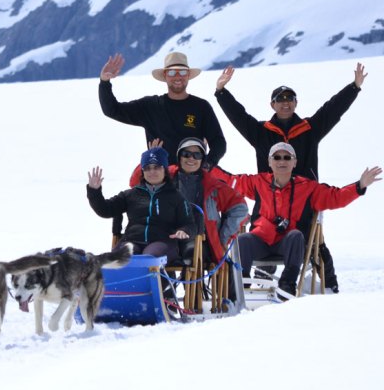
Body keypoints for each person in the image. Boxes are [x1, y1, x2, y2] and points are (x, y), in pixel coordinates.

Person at [214, 62, 367, 292]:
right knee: (264, 231)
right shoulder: (261, 132)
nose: (285, 103)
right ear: (272, 104)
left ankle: (329, 286)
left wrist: (354, 87)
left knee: (313, 241)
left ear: (296, 103)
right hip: (269, 196)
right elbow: (239, 117)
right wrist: (221, 93)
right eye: (280, 100)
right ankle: (258, 282)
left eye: (290, 99)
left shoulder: (309, 129)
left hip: (306, 199)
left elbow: (332, 110)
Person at [211, 142, 381, 298]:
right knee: (243, 240)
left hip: (289, 245)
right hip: (261, 241)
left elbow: (335, 197)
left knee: (296, 236)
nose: (281, 161)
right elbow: (230, 181)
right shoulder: (258, 182)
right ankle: (240, 286)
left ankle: (287, 285)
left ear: (294, 162)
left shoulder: (308, 187)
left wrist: (359, 186)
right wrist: (206, 165)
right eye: (277, 157)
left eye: (287, 157)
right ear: (269, 162)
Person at [129, 138, 248, 266]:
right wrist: (152, 158)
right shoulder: (166, 175)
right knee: (149, 256)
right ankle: (162, 278)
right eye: (186, 154)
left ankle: (191, 278)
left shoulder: (212, 185)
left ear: (202, 159)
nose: (191, 158)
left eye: (197, 155)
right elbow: (136, 184)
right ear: (179, 157)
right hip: (164, 237)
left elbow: (239, 207)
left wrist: (223, 237)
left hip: (198, 240)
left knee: (191, 258)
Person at [99, 52, 227, 169]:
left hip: (193, 178)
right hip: (159, 178)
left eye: (182, 72)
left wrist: (208, 163)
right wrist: (105, 82)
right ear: (165, 75)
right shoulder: (150, 106)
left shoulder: (201, 107)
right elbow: (112, 110)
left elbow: (218, 142)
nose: (177, 76)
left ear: (188, 75)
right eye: (171, 72)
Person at [87, 147, 194, 262]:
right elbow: (105, 210)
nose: (152, 172)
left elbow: (189, 224)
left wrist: (184, 230)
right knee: (119, 258)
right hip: (132, 240)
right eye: (147, 168)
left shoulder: (176, 197)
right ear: (143, 171)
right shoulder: (131, 194)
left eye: (157, 167)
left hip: (162, 242)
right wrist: (94, 191)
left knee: (148, 259)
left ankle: (155, 274)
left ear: (165, 169)